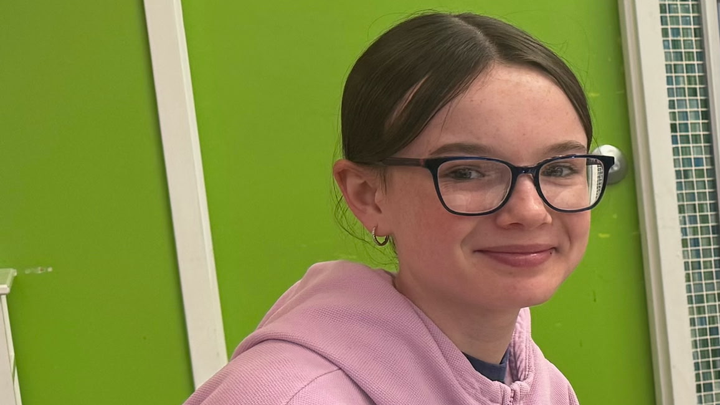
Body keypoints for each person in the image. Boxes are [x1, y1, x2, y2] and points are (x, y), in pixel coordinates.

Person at [184, 11, 613, 405]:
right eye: (467, 172)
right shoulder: (287, 396)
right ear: (368, 195)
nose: (531, 211)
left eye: (560, 168)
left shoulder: (543, 387)